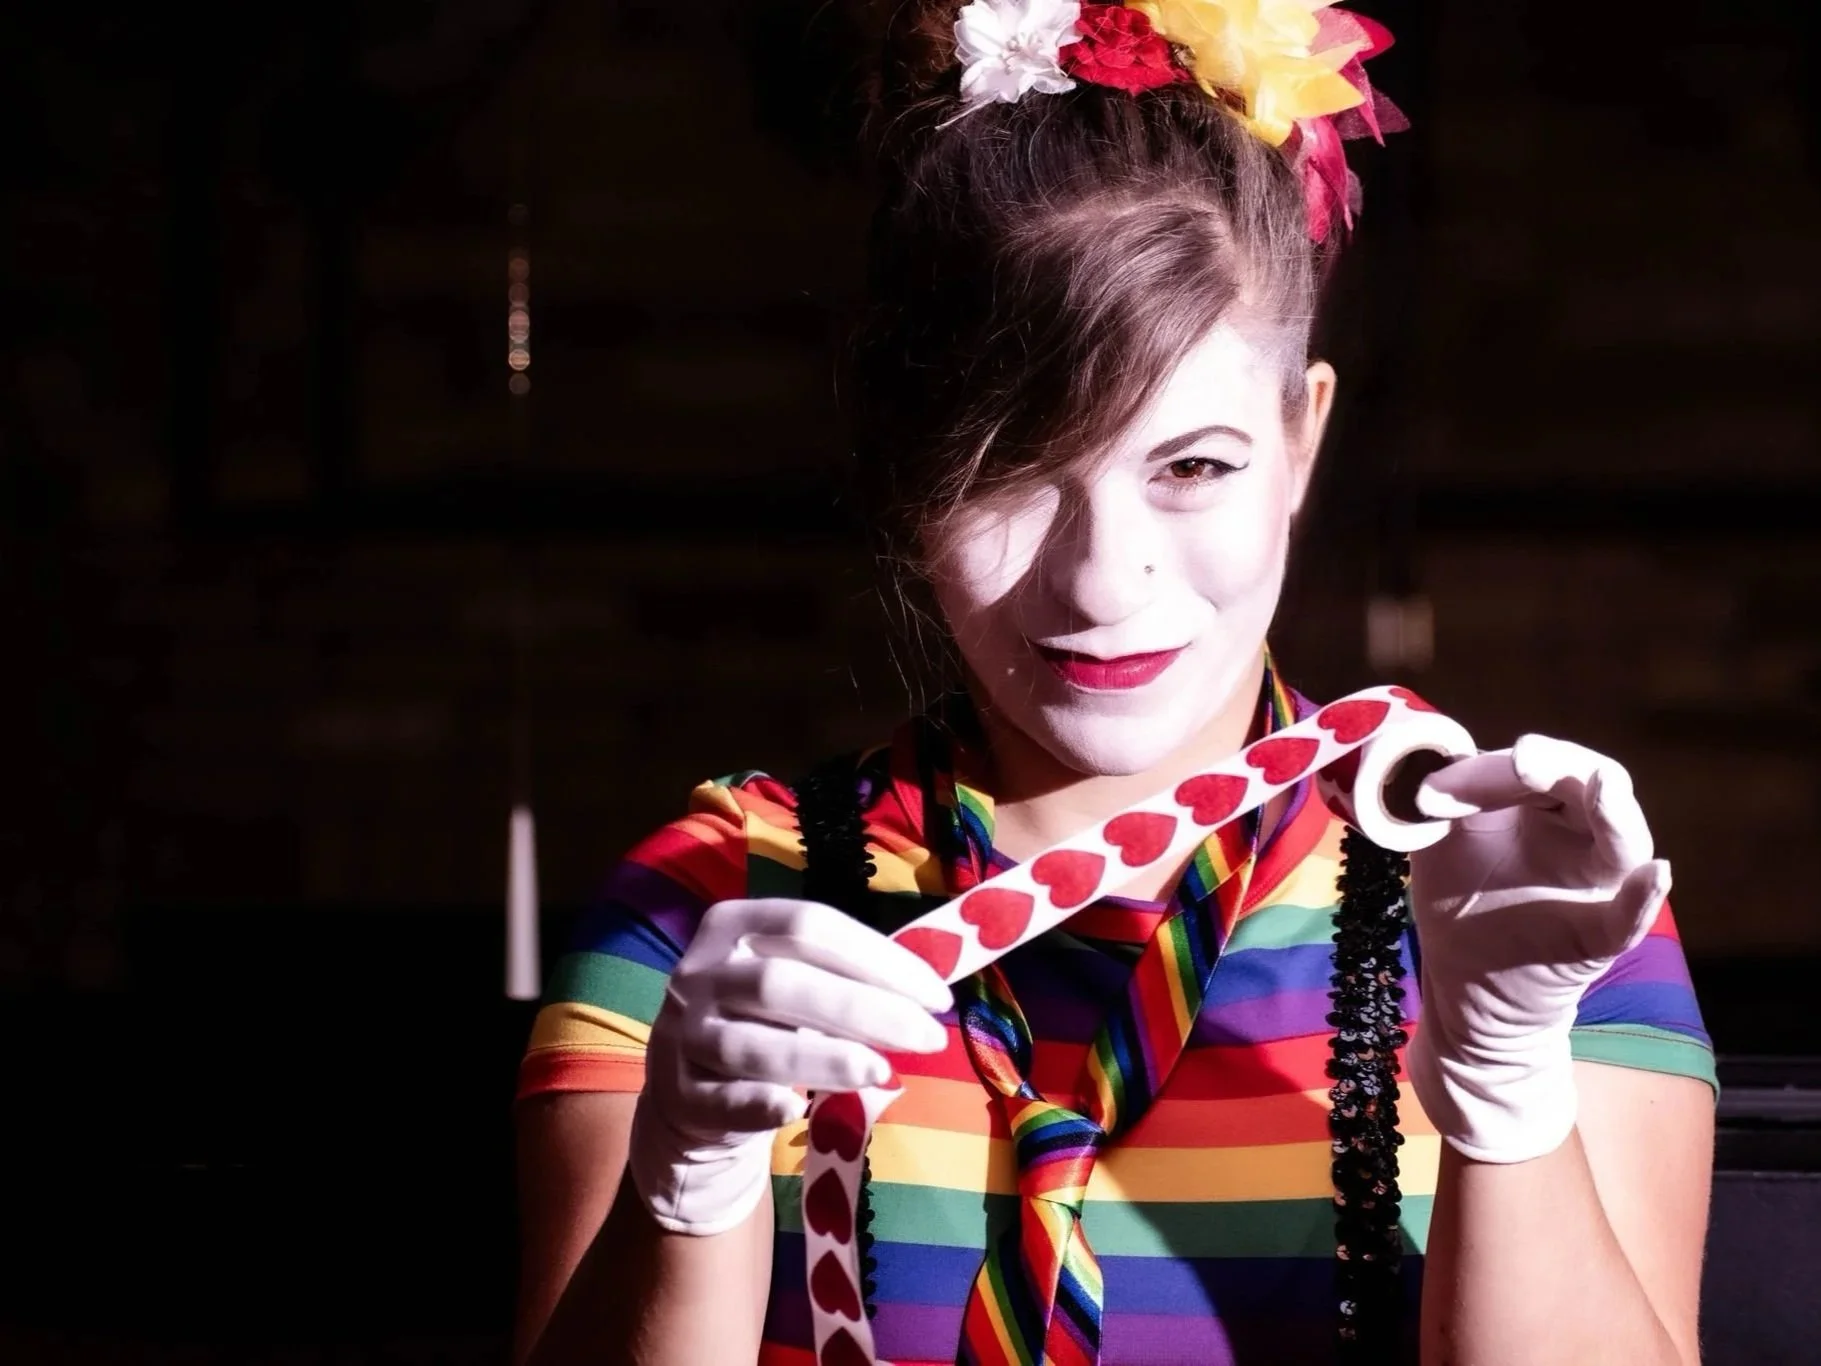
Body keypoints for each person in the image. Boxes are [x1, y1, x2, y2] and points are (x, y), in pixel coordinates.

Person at [512, 3, 1716, 1363]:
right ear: (915, 481)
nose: (1104, 581)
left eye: (1193, 465)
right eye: (1014, 473)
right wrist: (688, 1187)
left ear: (1302, 438)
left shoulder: (1529, 900)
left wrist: (1504, 1083)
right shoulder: (706, 906)